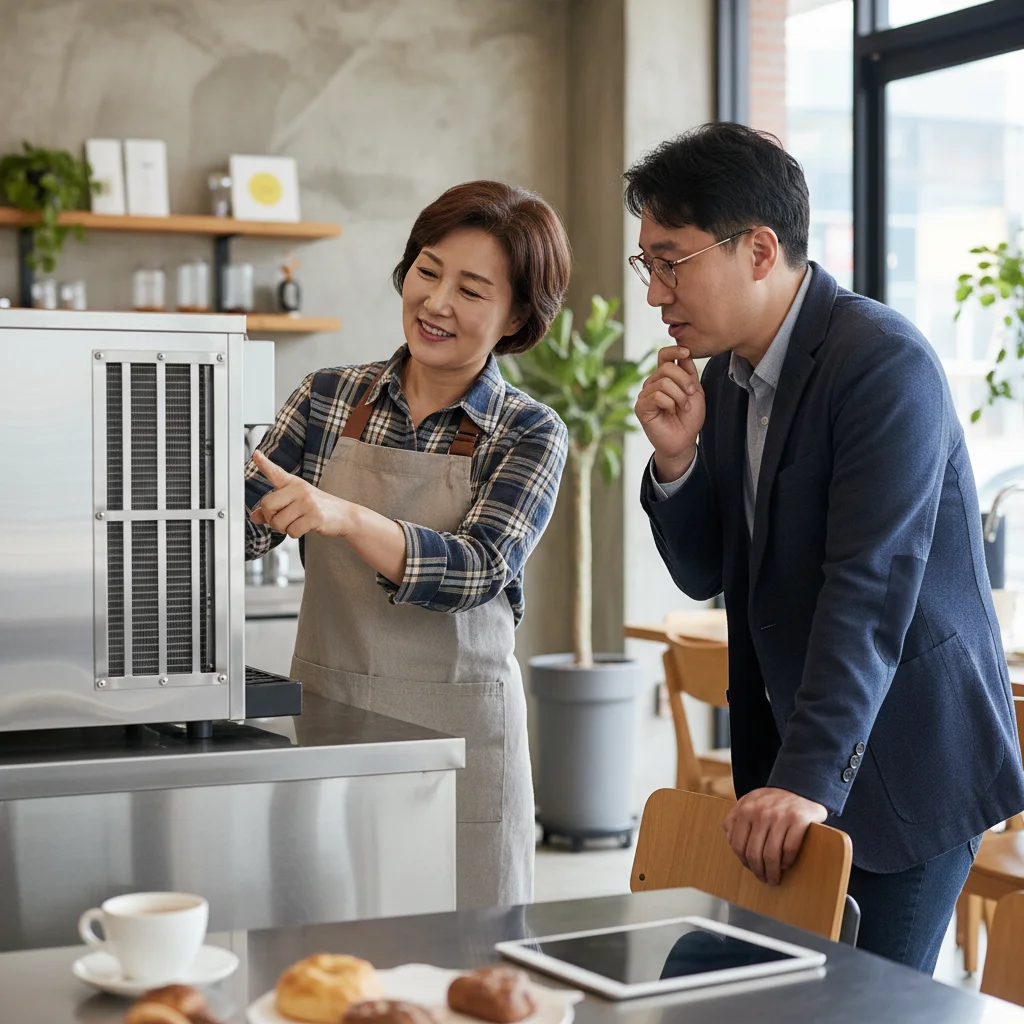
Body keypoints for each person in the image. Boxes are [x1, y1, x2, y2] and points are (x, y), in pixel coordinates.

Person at [628, 122, 1024, 972]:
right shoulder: (728, 378)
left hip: (906, 766)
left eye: (672, 260)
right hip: (796, 766)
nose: (656, 292)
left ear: (759, 249)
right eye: (647, 265)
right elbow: (706, 573)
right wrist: (677, 460)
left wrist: (807, 780)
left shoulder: (883, 365)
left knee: (862, 1007)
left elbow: (869, 589)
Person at [244, 180, 571, 909]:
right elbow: (241, 524)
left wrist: (346, 517)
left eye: (472, 289)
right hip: (330, 715)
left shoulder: (528, 431)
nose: (438, 302)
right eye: (428, 270)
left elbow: (479, 569)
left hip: (460, 743)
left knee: (469, 966)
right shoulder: (327, 396)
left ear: (517, 314)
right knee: (326, 951)